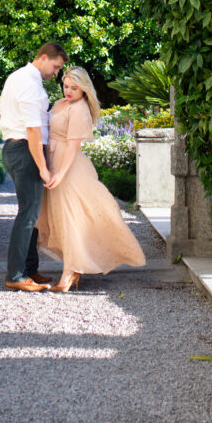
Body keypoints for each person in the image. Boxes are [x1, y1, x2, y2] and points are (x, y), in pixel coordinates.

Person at [37, 66, 145, 292]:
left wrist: (61, 173)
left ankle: (69, 272)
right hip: (54, 163)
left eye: (74, 88)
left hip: (69, 167)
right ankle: (72, 268)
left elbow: (73, 146)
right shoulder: (60, 104)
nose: (68, 91)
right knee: (61, 217)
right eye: (65, 86)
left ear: (84, 89)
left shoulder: (79, 109)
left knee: (70, 217)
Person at [0, 42, 69, 292]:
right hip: (26, 151)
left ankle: (29, 269)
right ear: (42, 58)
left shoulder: (20, 77)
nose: (57, 73)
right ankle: (16, 275)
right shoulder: (28, 82)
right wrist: (42, 167)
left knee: (31, 214)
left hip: (17, 149)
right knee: (28, 214)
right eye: (56, 66)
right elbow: (32, 128)